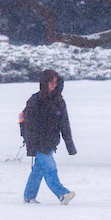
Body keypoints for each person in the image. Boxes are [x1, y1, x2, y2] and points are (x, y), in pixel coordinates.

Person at [18, 69, 76, 204]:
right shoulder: (34, 100)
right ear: (45, 83)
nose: (54, 85)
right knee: (50, 169)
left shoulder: (59, 101)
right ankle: (62, 194)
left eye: (56, 82)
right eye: (51, 82)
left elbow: (64, 124)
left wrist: (70, 146)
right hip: (38, 143)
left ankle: (29, 196)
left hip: (51, 142)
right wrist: (30, 142)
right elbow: (26, 123)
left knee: (38, 171)